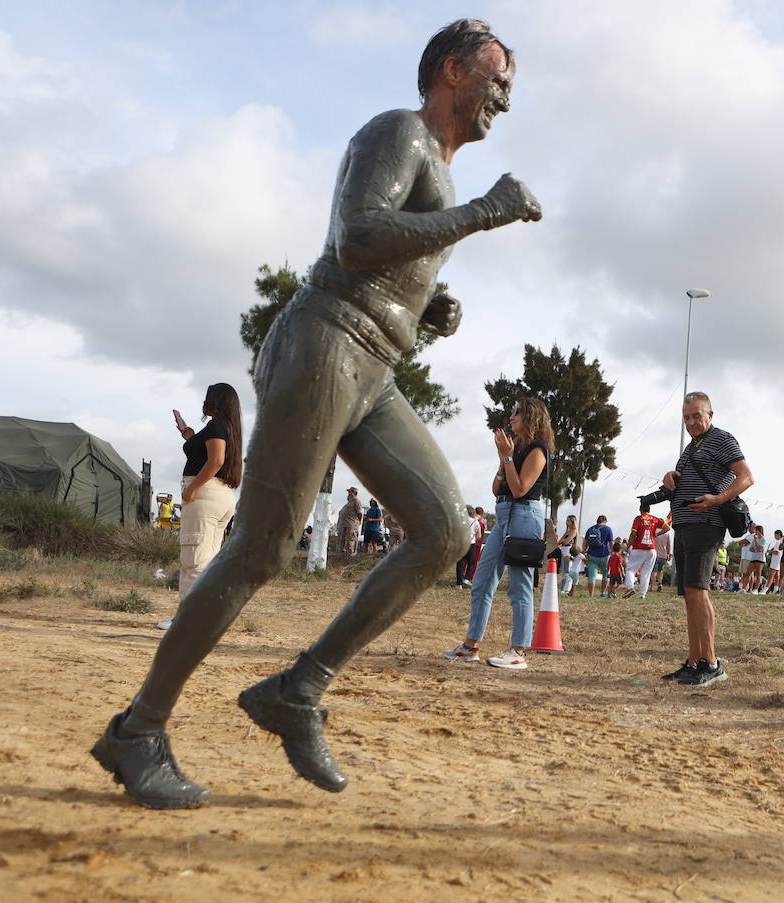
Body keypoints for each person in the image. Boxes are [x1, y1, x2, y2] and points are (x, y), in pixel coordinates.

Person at [92, 19, 541, 810]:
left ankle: (298, 689)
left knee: (446, 531)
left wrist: (424, 306)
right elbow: (360, 235)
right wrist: (483, 211)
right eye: (496, 76)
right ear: (449, 71)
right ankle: (138, 730)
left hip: (375, 365)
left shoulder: (433, 162)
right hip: (325, 342)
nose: (506, 95)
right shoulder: (399, 132)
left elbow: (388, 255)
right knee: (261, 547)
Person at [443, 397, 553, 666]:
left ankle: (518, 652)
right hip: (504, 516)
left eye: (517, 412)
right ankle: (471, 645)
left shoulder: (538, 449)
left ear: (531, 417)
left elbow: (519, 489)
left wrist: (506, 456)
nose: (511, 416)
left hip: (525, 516)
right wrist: (505, 457)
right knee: (481, 582)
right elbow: (497, 488)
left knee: (519, 587)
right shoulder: (517, 449)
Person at [661, 392, 753, 686]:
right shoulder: (690, 448)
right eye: (686, 418)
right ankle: (694, 661)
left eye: (697, 416)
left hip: (706, 524)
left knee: (698, 591)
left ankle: (712, 663)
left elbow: (746, 477)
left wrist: (716, 499)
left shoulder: (722, 439)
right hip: (685, 525)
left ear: (710, 415)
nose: (691, 422)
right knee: (689, 594)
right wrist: (671, 477)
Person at [158, 383, 243, 631]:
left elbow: (216, 460)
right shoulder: (226, 428)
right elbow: (211, 456)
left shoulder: (216, 425)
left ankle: (188, 621)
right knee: (208, 560)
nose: (203, 403)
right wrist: (190, 437)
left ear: (215, 401)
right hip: (222, 496)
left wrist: (192, 488)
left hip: (205, 495)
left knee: (194, 559)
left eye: (207, 398)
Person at [622, 508, 665, 598]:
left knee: (630, 569)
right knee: (646, 573)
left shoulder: (638, 519)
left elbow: (633, 534)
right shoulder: (655, 519)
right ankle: (642, 595)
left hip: (638, 548)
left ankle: (630, 588)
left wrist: (628, 546)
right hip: (652, 550)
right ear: (649, 510)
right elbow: (667, 527)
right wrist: (657, 534)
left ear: (640, 509)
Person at [581, 515, 613, 597]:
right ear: (605, 521)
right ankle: (602, 593)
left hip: (592, 555)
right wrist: (613, 553)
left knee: (592, 576)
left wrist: (584, 552)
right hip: (604, 555)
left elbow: (585, 541)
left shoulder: (590, 529)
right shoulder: (608, 529)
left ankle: (591, 595)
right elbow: (611, 543)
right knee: (605, 575)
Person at [336, 487, 363, 555]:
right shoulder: (349, 503)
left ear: (355, 493)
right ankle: (342, 555)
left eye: (350, 492)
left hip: (351, 525)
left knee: (350, 541)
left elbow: (360, 513)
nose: (348, 494)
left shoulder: (357, 501)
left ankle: (350, 555)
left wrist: (357, 523)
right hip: (344, 525)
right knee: (342, 541)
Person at [651, 521, 673, 593]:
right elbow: (668, 545)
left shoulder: (654, 532)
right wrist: (668, 554)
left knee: (654, 571)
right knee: (660, 571)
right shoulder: (666, 534)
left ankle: (652, 587)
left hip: (655, 554)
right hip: (663, 555)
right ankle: (660, 583)